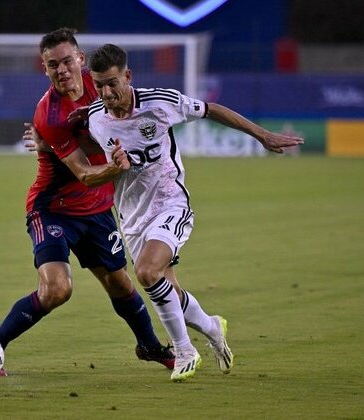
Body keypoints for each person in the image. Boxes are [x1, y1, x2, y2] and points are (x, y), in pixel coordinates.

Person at [71, 43, 303, 381]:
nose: (107, 92)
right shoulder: (94, 117)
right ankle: (212, 327)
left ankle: (184, 351)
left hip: (170, 202)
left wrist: (261, 135)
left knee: (148, 273)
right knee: (169, 290)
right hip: (132, 216)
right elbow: (81, 143)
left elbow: (211, 109)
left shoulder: (159, 102)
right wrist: (44, 140)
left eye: (112, 82)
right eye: (100, 84)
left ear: (128, 76)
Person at [0, 29, 175, 371]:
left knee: (120, 284)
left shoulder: (102, 86)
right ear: (44, 69)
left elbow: (132, 121)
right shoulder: (48, 115)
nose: (61, 70)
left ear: (80, 59)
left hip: (97, 209)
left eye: (66, 61)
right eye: (52, 65)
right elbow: (85, 173)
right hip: (53, 210)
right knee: (57, 290)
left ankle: (149, 346)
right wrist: (117, 165)